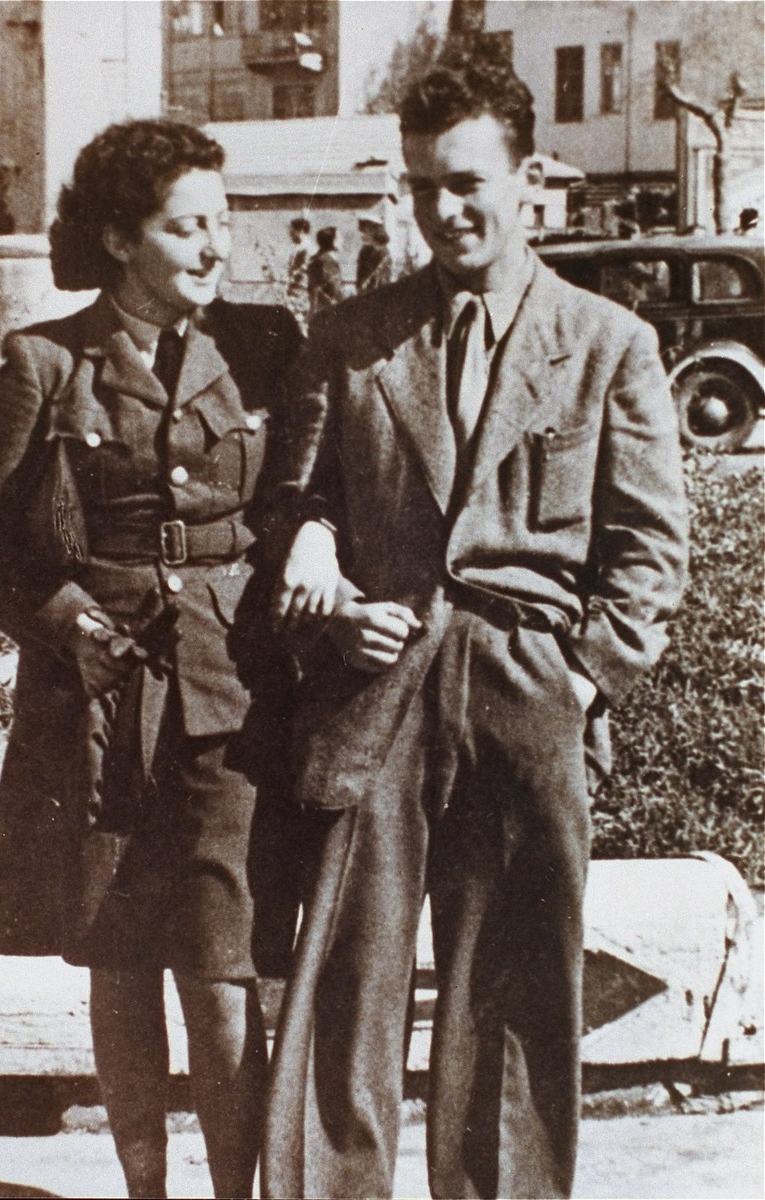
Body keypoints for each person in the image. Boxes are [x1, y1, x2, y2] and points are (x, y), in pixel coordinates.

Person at [265, 56, 689, 1199]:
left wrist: (583, 682)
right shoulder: (351, 337)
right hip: (377, 684)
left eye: (464, 183)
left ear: (529, 178)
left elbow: (649, 551)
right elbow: (294, 498)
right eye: (418, 187)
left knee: (509, 991)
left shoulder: (608, 345)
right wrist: (308, 547)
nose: (440, 211)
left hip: (525, 686)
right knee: (345, 985)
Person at [0, 119, 304, 1199]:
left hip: (229, 686)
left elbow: (306, 492)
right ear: (118, 237)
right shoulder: (44, 365)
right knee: (118, 958)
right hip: (95, 699)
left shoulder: (265, 343)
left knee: (223, 962)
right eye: (184, 227)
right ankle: (147, 1189)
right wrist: (63, 619)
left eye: (222, 224)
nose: (213, 249)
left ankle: (235, 1191)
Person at [307, 225, 345, 314]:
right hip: (330, 309)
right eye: (339, 238)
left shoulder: (318, 259)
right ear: (333, 242)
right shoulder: (327, 262)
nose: (342, 241)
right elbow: (334, 289)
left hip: (319, 308)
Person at [285, 215, 313, 332]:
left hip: (301, 292)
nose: (290, 234)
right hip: (295, 291)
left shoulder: (306, 248)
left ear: (299, 231)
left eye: (292, 230)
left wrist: (291, 279)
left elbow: (303, 269)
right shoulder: (300, 248)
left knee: (299, 322)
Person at [355, 218, 393, 293]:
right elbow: (360, 277)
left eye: (365, 231)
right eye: (361, 231)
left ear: (374, 231)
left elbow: (380, 280)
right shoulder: (364, 251)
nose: (362, 235)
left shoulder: (383, 252)